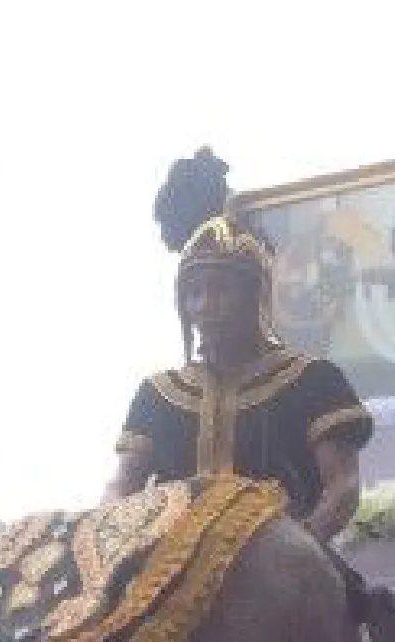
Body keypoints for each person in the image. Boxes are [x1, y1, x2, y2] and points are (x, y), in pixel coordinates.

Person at [107, 147, 373, 545]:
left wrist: (296, 551)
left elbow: (343, 488)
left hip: (291, 562)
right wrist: (103, 539)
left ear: (255, 296)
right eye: (195, 293)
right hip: (171, 566)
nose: (206, 306)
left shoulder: (314, 380)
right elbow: (121, 485)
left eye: (220, 290)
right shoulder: (157, 395)